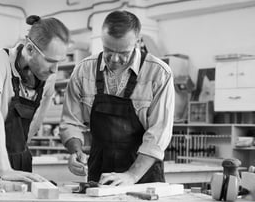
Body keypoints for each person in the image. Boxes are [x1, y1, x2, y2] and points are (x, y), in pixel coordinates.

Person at [60, 10, 174, 186]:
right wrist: (76, 151)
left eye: (123, 52)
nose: (114, 59)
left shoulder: (158, 73)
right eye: (108, 50)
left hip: (143, 173)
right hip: (99, 168)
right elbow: (71, 122)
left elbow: (159, 133)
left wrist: (131, 176)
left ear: (137, 41)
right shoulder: (83, 71)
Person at [0, 15, 70, 182]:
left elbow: (35, 123)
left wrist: (18, 154)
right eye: (50, 61)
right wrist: (5, 170)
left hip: (21, 160)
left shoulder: (48, 77)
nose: (55, 70)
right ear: (29, 49)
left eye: (59, 62)